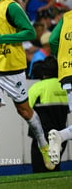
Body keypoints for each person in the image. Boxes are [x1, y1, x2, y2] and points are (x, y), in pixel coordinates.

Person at [0, 0, 55, 179]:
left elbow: (30, 32)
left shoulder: (10, 7)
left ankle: (43, 145)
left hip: (12, 70)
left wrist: (2, 39)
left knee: (25, 111)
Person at [28, 56, 68, 173]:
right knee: (55, 170)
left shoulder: (37, 88)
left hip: (41, 138)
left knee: (39, 171)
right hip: (61, 135)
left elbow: (26, 110)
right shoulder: (65, 87)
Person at [48, 9, 72, 165]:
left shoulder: (67, 17)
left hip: (67, 72)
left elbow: (52, 40)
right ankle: (61, 135)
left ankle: (61, 136)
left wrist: (61, 57)